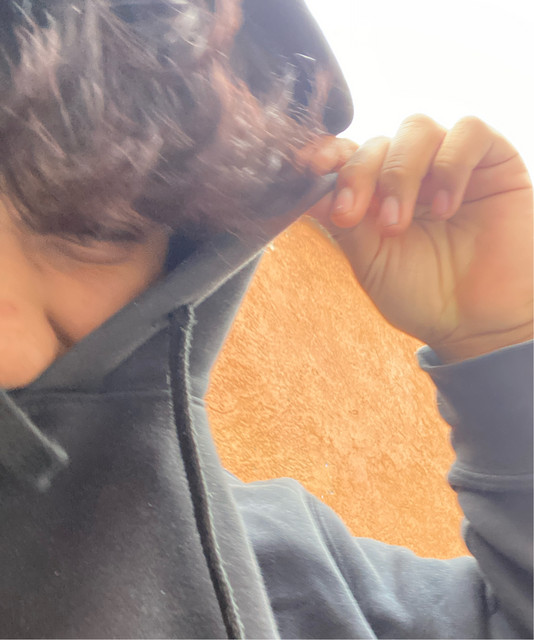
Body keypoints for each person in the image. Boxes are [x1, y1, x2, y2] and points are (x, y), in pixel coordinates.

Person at [0, 0, 531, 638]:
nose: (15, 351)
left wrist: (503, 343)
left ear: (188, 249)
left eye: (97, 228)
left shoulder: (288, 571)